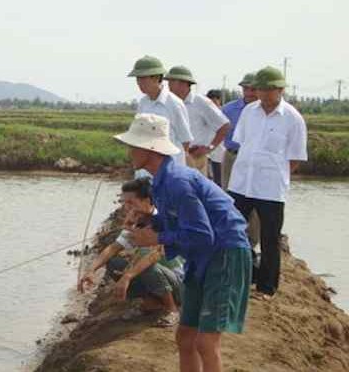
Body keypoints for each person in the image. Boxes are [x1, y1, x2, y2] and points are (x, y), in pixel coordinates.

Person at [114, 113, 251, 372]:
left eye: (134, 145)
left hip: (225, 252)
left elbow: (202, 234)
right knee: (185, 336)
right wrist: (147, 223)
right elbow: (176, 224)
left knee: (206, 342)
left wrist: (158, 237)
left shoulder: (178, 182)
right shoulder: (161, 183)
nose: (130, 150)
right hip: (202, 255)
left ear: (150, 149)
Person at [228, 66, 308, 299]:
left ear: (281, 90)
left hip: (270, 188)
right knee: (233, 230)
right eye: (259, 89)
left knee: (270, 239)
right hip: (241, 183)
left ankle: (266, 288)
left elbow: (294, 159)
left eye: (268, 89)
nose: (262, 93)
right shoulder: (249, 112)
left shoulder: (292, 119)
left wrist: (276, 175)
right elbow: (243, 144)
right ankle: (240, 276)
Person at [78, 178, 183, 327]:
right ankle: (152, 301)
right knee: (114, 263)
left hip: (180, 281)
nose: (126, 208)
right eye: (124, 203)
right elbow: (113, 248)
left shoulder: (162, 219)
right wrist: (91, 270)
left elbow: (154, 255)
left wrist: (127, 277)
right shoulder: (138, 220)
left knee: (145, 262)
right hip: (163, 276)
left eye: (131, 203)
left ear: (147, 201)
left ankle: (172, 309)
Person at [128, 56, 193, 169]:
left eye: (143, 78)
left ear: (156, 78)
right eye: (137, 79)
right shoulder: (143, 103)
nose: (139, 83)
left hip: (169, 169)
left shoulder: (174, 104)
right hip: (146, 169)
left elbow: (185, 141)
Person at [164, 66, 230, 178]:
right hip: (172, 156)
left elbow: (224, 125)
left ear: (184, 83)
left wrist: (210, 147)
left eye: (172, 82)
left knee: (194, 191)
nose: (169, 86)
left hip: (194, 156)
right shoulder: (168, 102)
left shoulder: (200, 102)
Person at [221, 72, 261, 251]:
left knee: (255, 199)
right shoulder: (229, 109)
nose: (250, 93)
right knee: (228, 196)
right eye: (246, 88)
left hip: (255, 158)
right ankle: (232, 237)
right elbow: (218, 129)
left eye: (253, 89)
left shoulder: (264, 110)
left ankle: (252, 242)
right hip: (232, 156)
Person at [205, 89, 225, 186]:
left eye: (215, 100)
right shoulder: (204, 113)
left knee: (219, 181)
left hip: (219, 153)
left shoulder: (224, 113)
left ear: (219, 100)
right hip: (206, 152)